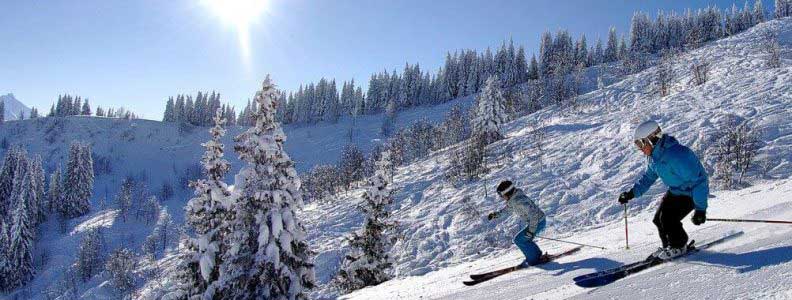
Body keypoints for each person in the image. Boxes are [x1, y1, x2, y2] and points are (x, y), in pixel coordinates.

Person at [618, 120, 709, 260]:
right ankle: (669, 246)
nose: (640, 149)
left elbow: (700, 181)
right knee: (658, 220)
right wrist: (631, 194)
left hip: (691, 193)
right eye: (638, 145)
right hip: (676, 191)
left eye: (641, 144)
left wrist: (700, 210)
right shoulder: (654, 157)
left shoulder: (677, 155)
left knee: (668, 219)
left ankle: (678, 245)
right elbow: (648, 178)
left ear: (652, 139)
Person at [487, 180, 547, 266]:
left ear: (507, 192)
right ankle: (536, 256)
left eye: (501, 195)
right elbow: (507, 210)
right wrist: (496, 215)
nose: (501, 197)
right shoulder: (514, 200)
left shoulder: (519, 201)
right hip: (535, 222)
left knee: (520, 240)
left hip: (537, 222)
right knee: (522, 239)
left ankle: (535, 259)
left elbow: (534, 215)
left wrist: (531, 231)